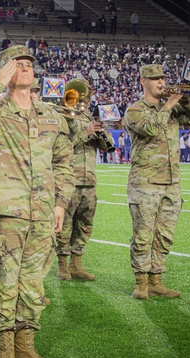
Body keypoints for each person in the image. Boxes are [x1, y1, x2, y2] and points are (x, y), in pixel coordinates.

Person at [0, 45, 73, 358]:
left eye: (28, 64)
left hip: (41, 213)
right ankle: (6, 352)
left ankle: (26, 349)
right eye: (17, 65)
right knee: (6, 283)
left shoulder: (51, 115)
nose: (25, 68)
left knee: (34, 284)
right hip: (7, 212)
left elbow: (63, 162)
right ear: (6, 72)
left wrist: (60, 203)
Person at [123, 63, 190, 300]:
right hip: (145, 181)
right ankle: (140, 282)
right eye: (155, 78)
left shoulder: (173, 108)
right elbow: (150, 128)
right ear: (143, 82)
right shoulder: (135, 109)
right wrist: (168, 106)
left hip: (172, 181)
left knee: (165, 234)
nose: (161, 82)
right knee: (142, 234)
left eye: (163, 78)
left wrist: (187, 102)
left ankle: (156, 280)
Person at [55, 79, 114, 282]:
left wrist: (100, 132)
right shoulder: (63, 115)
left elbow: (109, 146)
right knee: (64, 226)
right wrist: (85, 132)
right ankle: (62, 266)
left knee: (85, 225)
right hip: (69, 179)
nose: (85, 99)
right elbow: (61, 146)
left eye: (87, 95)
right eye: (82, 95)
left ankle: (76, 264)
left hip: (89, 181)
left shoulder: (89, 116)